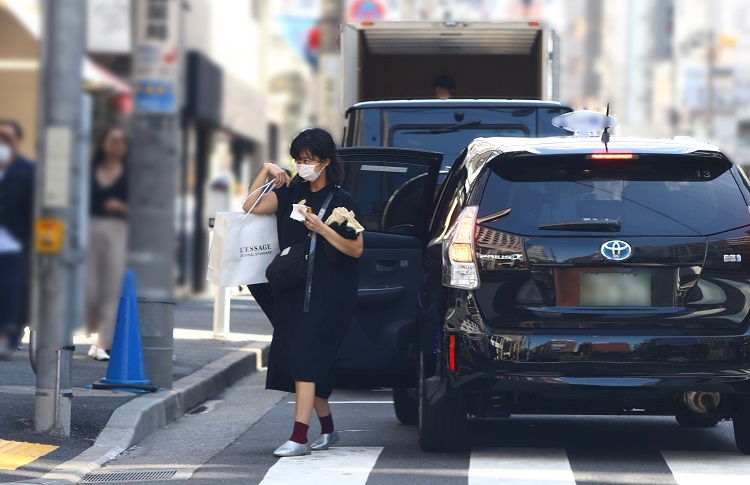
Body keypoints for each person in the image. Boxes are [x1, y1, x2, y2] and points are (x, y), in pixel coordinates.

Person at [243, 128, 363, 457]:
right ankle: (328, 430)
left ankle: (298, 437)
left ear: (325, 161)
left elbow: (355, 249)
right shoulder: (292, 192)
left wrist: (322, 228)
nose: (301, 165)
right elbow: (250, 205)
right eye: (298, 159)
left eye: (308, 160)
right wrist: (268, 169)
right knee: (297, 358)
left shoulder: (342, 202)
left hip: (328, 293)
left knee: (307, 357)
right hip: (293, 288)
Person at [86, 127, 130, 361]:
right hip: (88, 229)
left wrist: (120, 207)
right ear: (103, 143)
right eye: (113, 140)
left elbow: (143, 209)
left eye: (122, 141)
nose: (118, 145)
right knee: (89, 288)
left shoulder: (130, 173)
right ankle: (93, 330)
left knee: (111, 287)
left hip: (117, 230)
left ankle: (103, 342)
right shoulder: (89, 169)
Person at [0, 121, 34, 360]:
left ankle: (7, 337)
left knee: (12, 292)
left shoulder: (27, 171)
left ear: (17, 142)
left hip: (15, 242)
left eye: (6, 138)